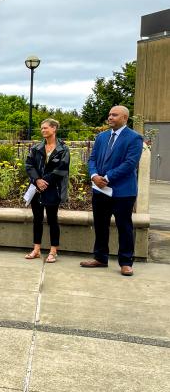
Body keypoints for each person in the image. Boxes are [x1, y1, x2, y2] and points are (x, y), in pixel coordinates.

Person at [80, 105, 143, 276]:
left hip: (123, 192)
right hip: (100, 190)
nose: (110, 117)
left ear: (124, 118)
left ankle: (126, 262)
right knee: (100, 225)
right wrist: (93, 175)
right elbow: (92, 159)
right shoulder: (101, 137)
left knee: (124, 227)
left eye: (114, 115)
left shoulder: (134, 138)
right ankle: (100, 258)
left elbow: (130, 164)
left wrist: (106, 178)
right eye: (109, 114)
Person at [24, 119, 70, 263]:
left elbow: (62, 169)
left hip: (52, 190)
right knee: (37, 220)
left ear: (54, 128)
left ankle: (53, 251)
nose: (43, 130)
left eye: (45, 128)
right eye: (41, 128)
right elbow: (29, 165)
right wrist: (37, 180)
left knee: (52, 220)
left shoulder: (63, 149)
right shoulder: (36, 148)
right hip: (36, 188)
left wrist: (46, 181)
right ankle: (36, 250)